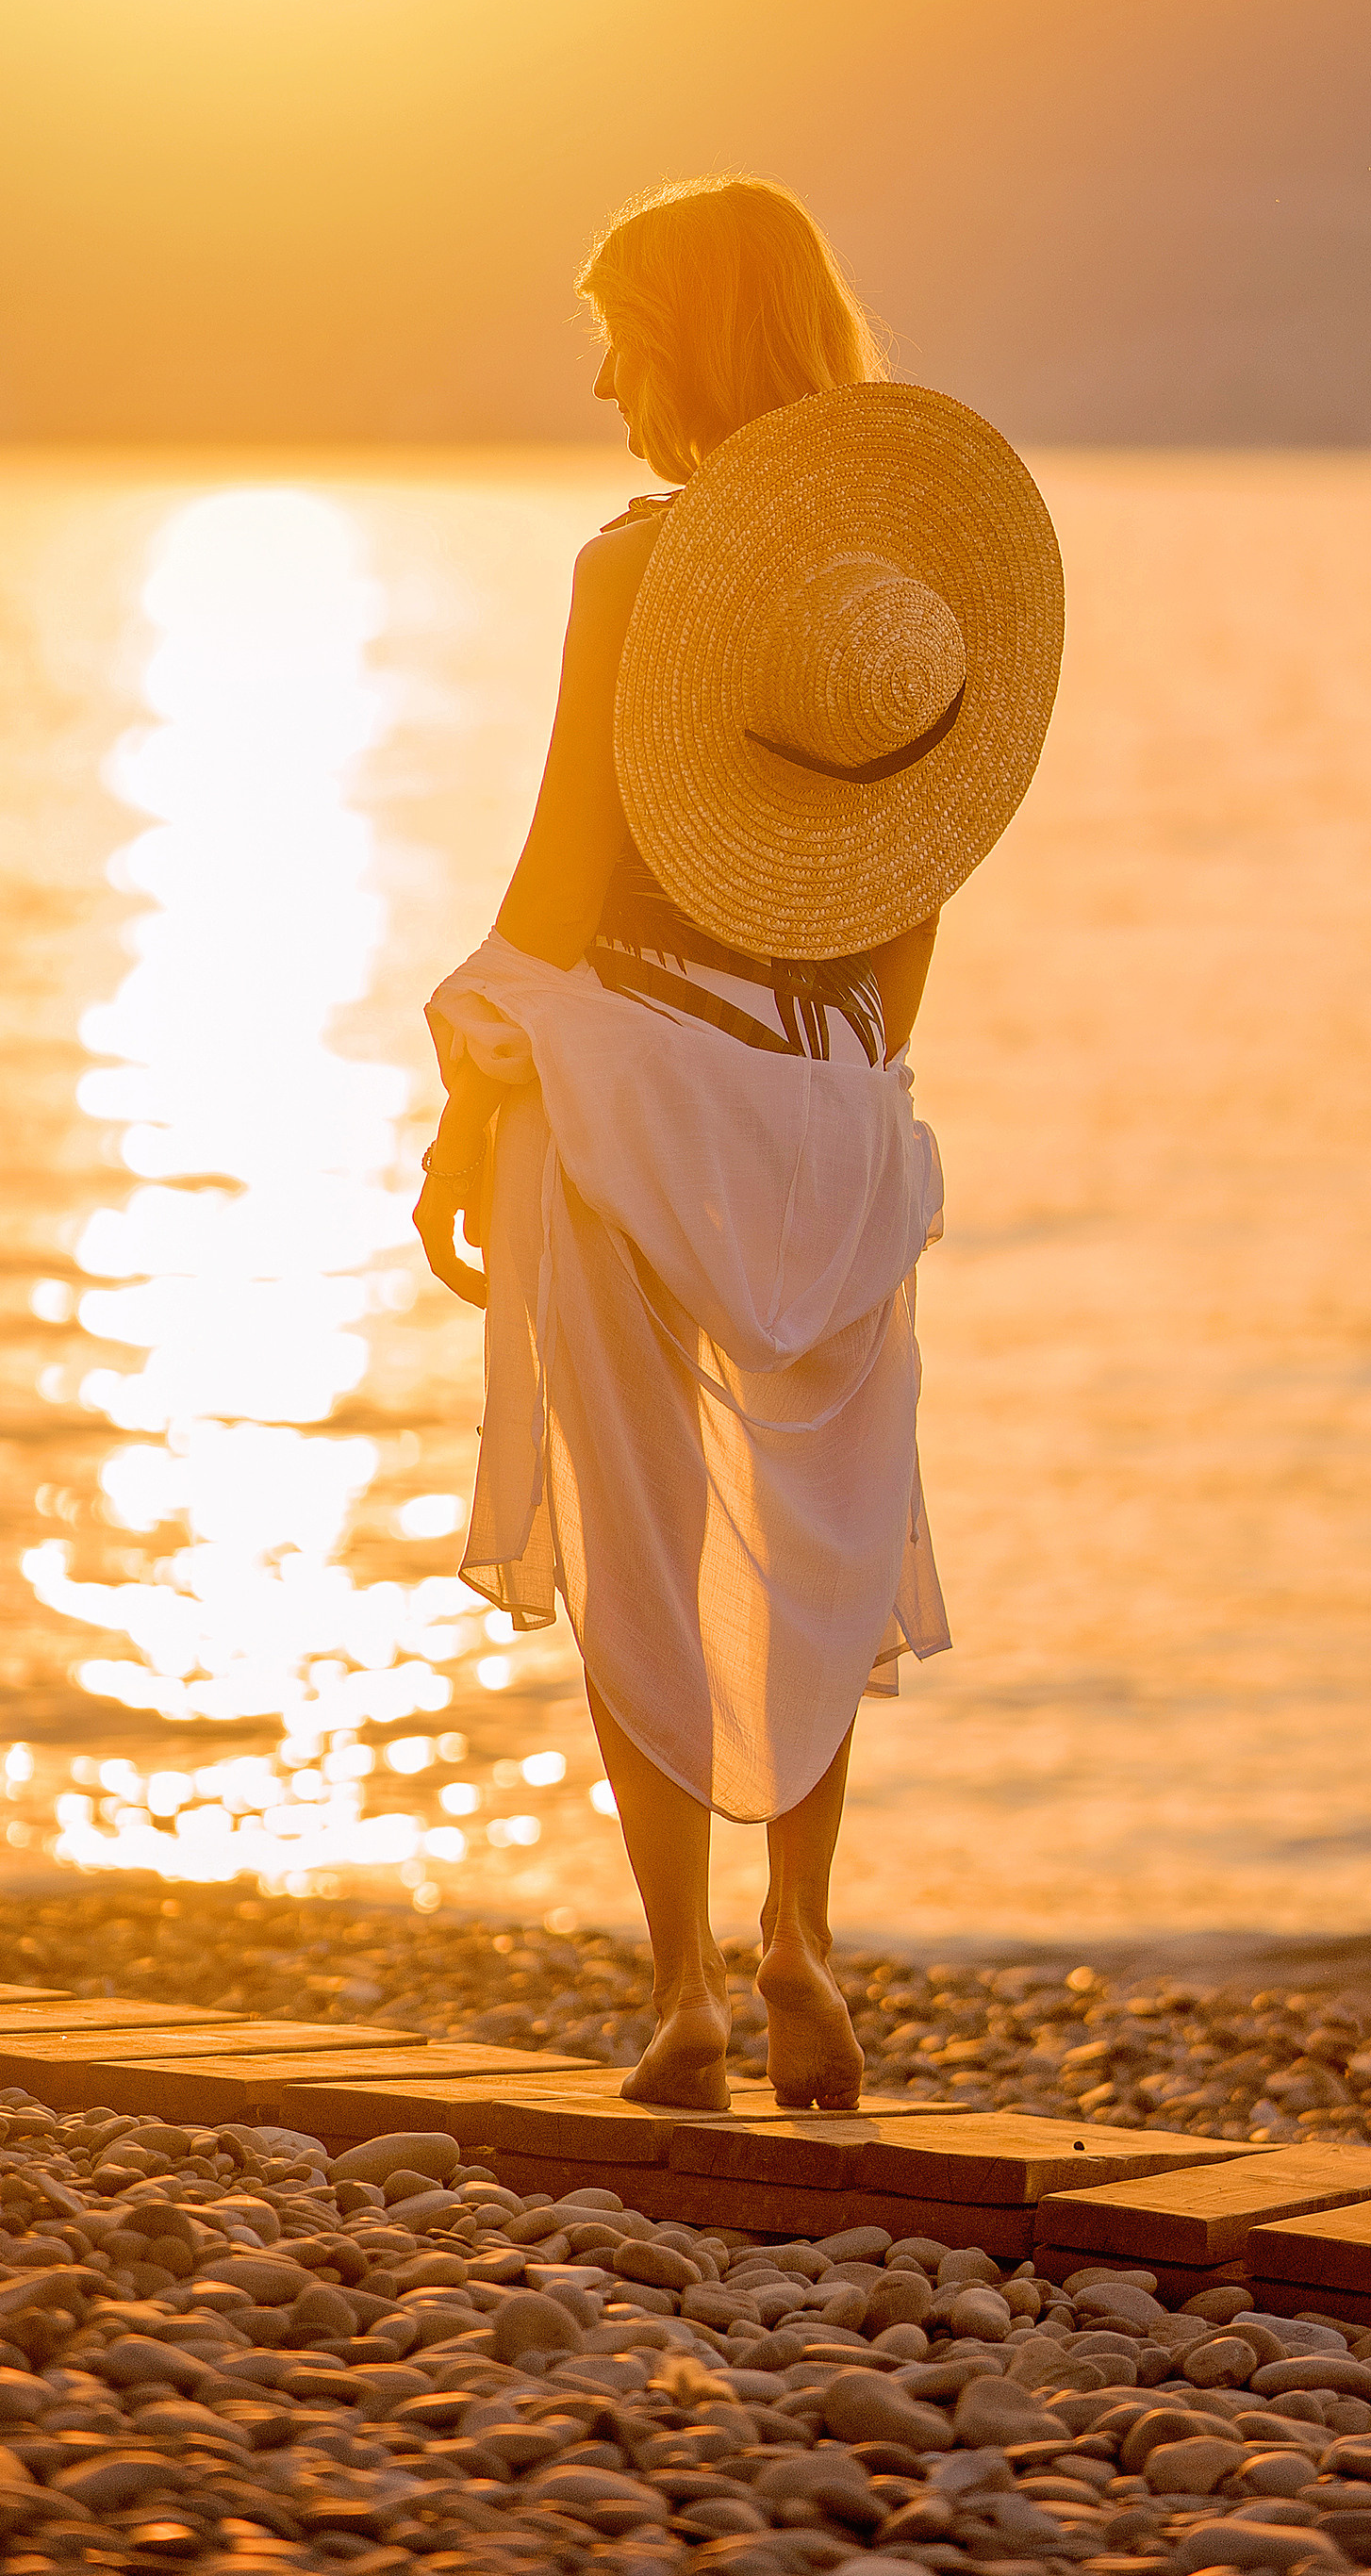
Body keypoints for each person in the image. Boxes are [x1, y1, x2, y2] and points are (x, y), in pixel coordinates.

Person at [414, 175, 1062, 2109]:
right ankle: (808, 1938)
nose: (607, 380)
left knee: (645, 1527)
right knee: (814, 1542)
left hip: (634, 1081)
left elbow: (556, 879)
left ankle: (687, 1989)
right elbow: (915, 897)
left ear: (693, 331)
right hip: (841, 1102)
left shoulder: (642, 572)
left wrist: (463, 1093)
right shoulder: (897, 607)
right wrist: (834, 1100)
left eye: (622, 332)